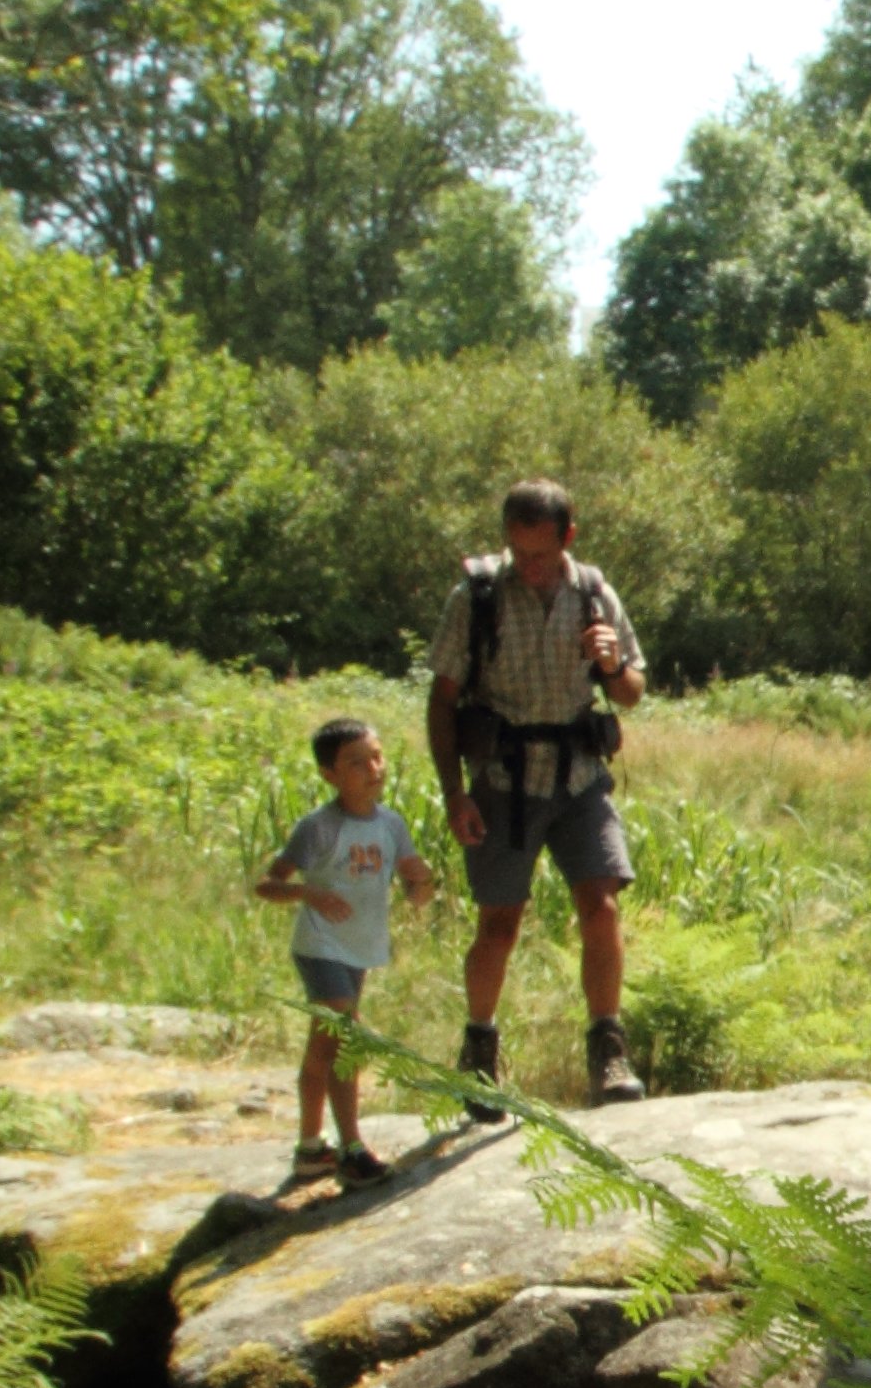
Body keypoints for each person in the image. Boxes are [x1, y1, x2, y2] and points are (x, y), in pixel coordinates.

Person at [427, 475, 651, 1105]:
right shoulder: (476, 597)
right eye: (517, 551)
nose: (526, 566)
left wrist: (611, 664)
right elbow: (442, 700)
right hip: (503, 779)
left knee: (601, 907)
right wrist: (454, 794)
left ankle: (608, 1051)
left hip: (579, 775)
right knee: (499, 923)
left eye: (540, 554)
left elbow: (632, 692)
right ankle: (478, 1055)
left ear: (568, 537)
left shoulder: (594, 594)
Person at [257, 713, 432, 1184]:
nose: (373, 768)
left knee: (325, 1045)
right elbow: (267, 884)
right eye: (356, 762)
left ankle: (311, 1148)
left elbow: (417, 888)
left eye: (377, 757)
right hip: (320, 945)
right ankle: (352, 1149)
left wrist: (421, 884)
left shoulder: (391, 824)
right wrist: (307, 893)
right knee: (345, 1041)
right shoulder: (318, 827)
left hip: (359, 947)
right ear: (329, 774)